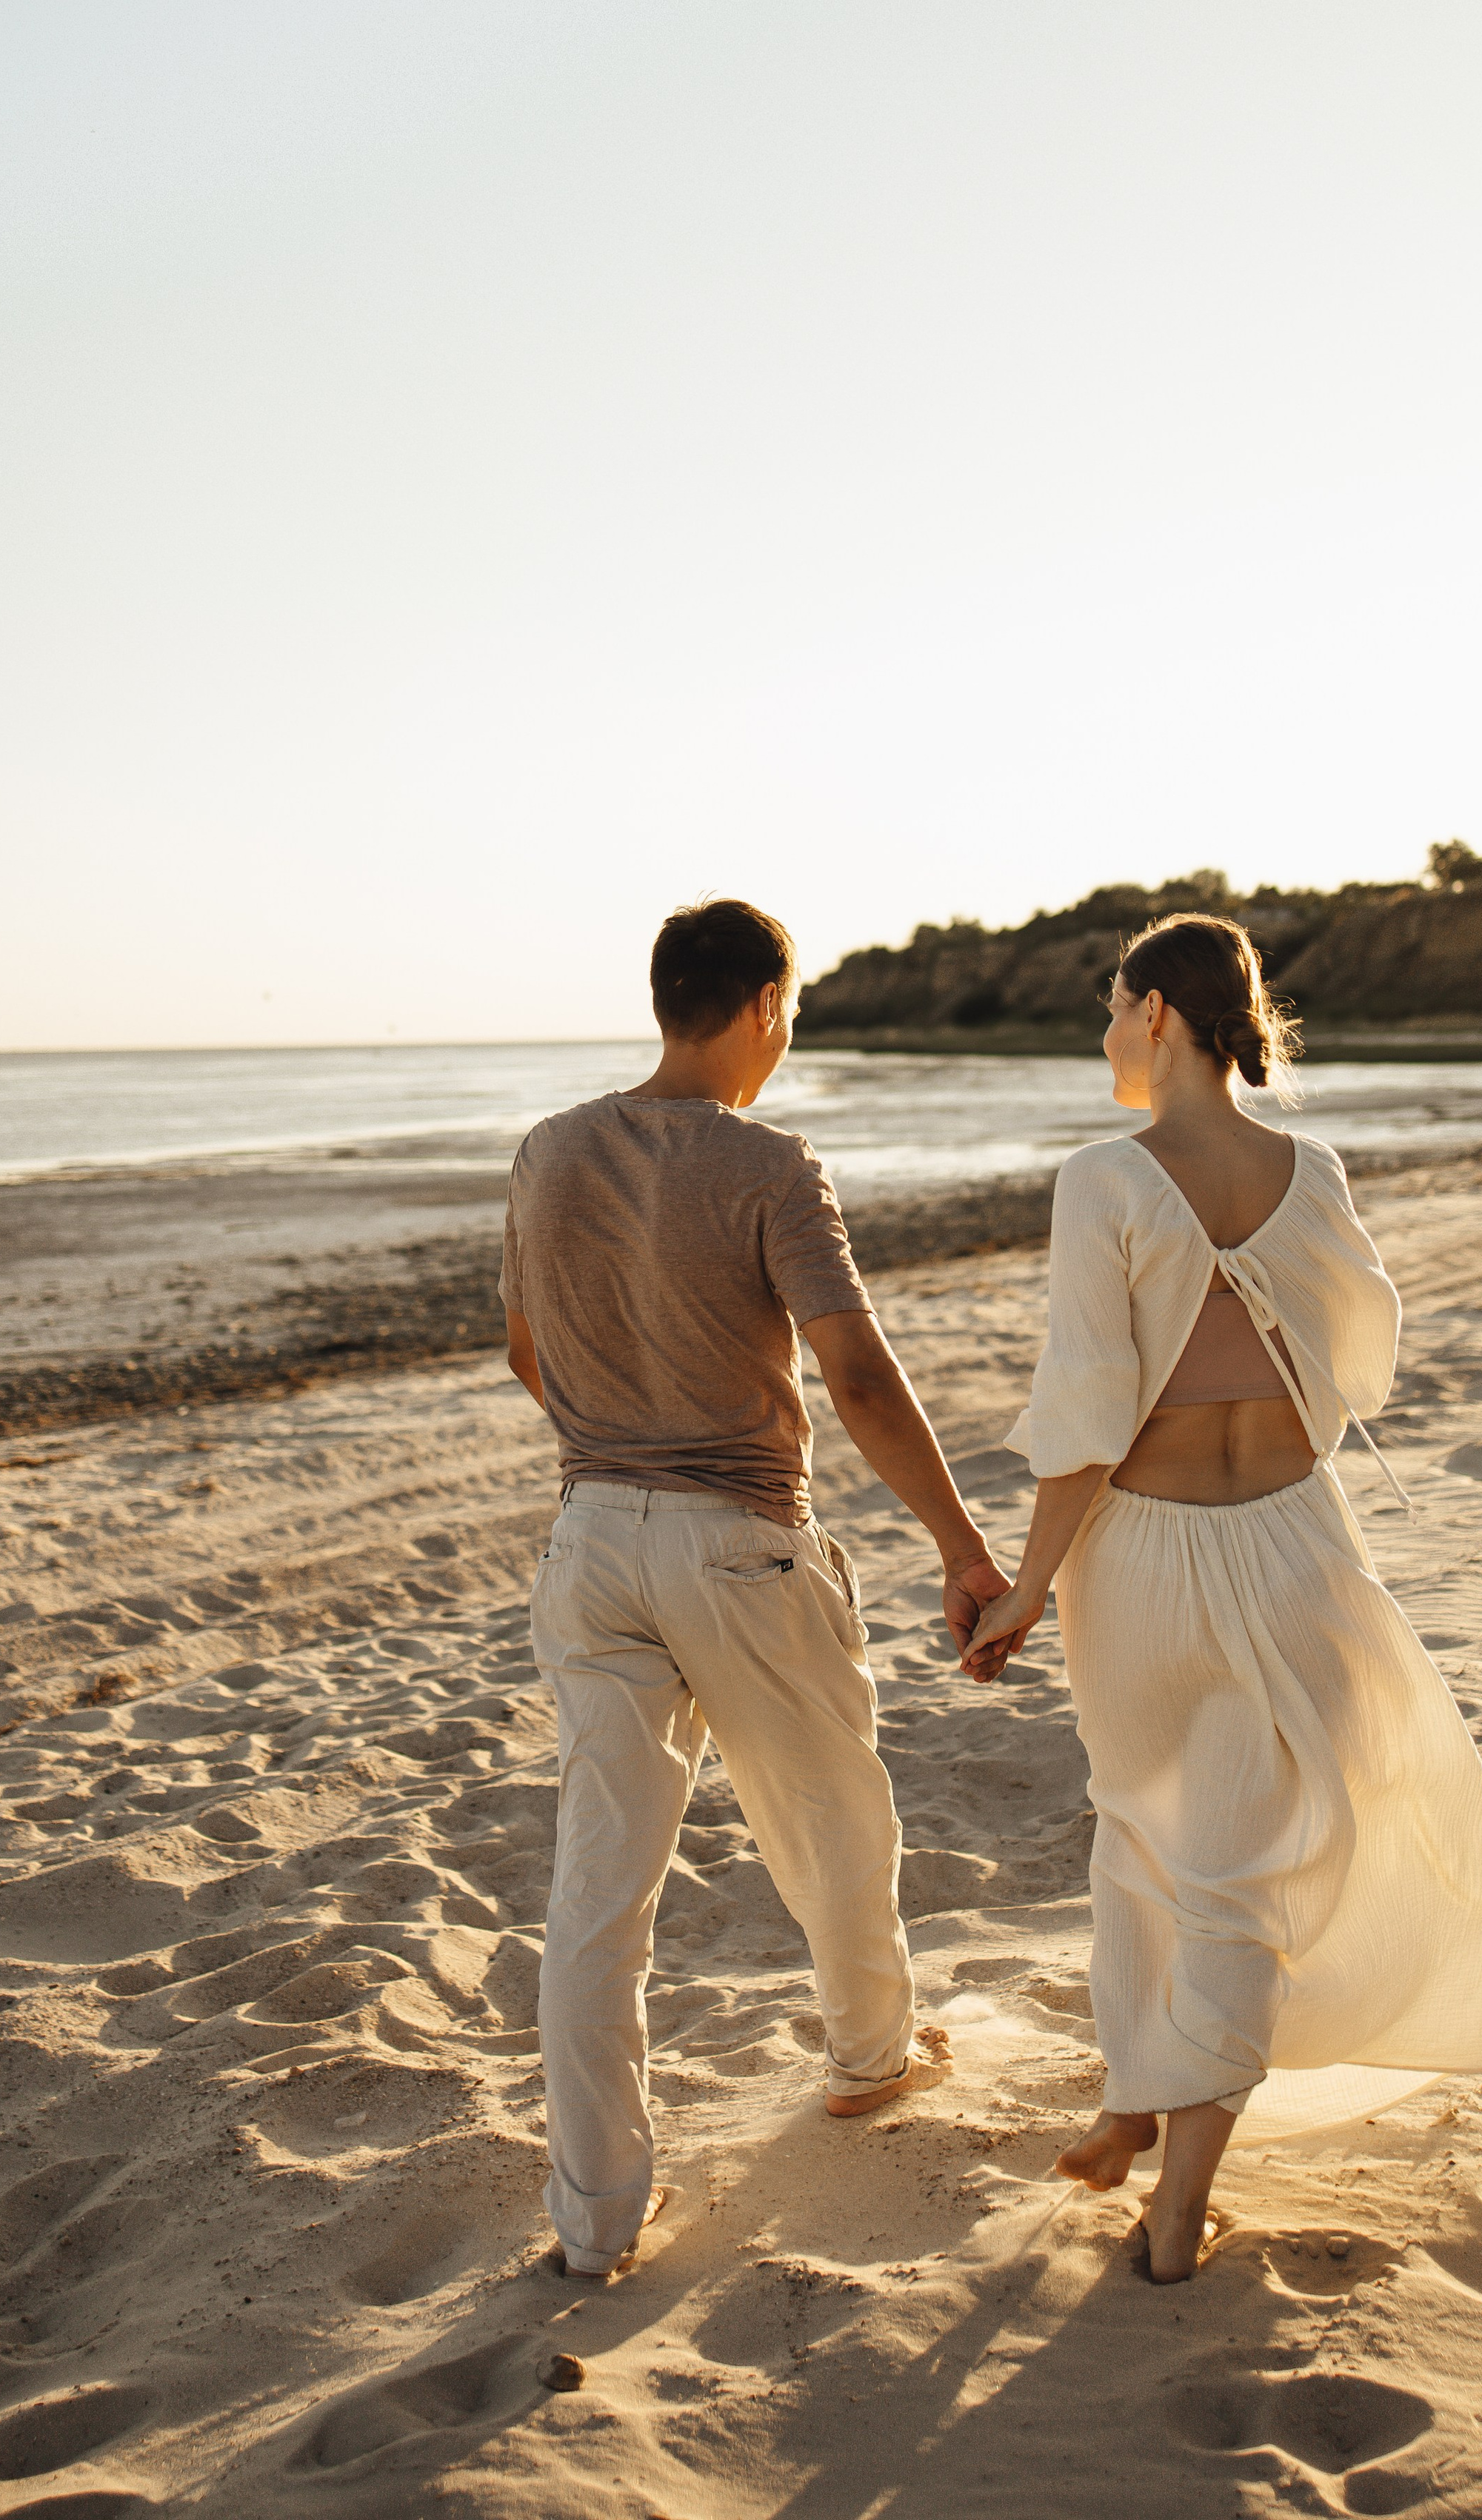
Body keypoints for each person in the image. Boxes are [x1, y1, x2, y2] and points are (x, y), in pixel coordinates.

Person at [963, 913, 1482, 2284]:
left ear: (1162, 1014)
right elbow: (1356, 1361)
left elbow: (1086, 1421)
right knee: (1242, 1871)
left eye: (1114, 1009)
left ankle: (1161, 2160)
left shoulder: (1104, 1181)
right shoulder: (1313, 1169)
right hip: (1300, 1543)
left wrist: (1027, 1591)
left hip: (1146, 1561)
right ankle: (1158, 2137)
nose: (1106, 1035)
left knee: (1150, 1844)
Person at [502, 898, 1007, 2279]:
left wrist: (620, 1427)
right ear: (769, 1006)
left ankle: (598, 2219)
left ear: (665, 998)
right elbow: (854, 1375)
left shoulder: (548, 1153)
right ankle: (868, 2059)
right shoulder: (773, 1164)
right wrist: (963, 1546)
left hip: (589, 1535)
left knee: (602, 1887)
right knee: (833, 1814)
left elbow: (525, 1353)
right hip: (736, 1534)